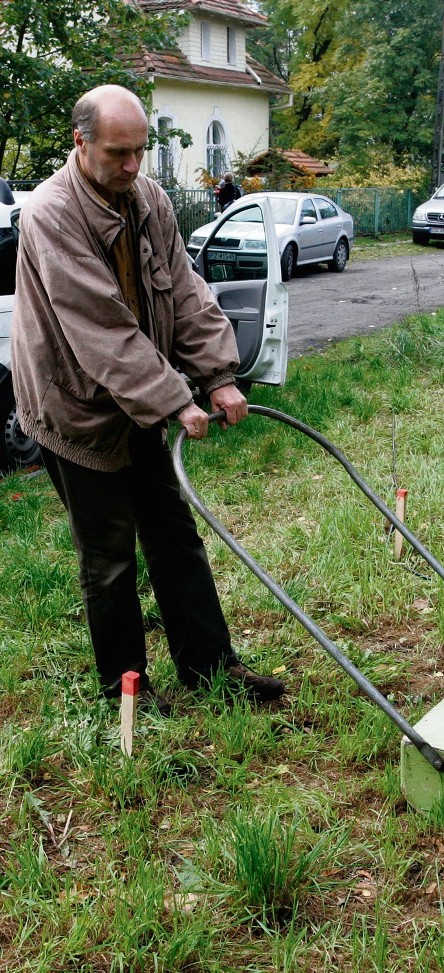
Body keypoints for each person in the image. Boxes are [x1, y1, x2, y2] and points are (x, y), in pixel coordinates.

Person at [11, 84, 285, 714]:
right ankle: (127, 697)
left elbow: (185, 288)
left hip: (141, 397)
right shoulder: (51, 212)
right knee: (109, 558)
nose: (132, 166)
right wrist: (172, 399)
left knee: (173, 534)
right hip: (76, 407)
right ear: (80, 144)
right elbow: (100, 326)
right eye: (117, 153)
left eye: (141, 151)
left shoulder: (148, 198)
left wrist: (216, 372)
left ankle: (212, 671)